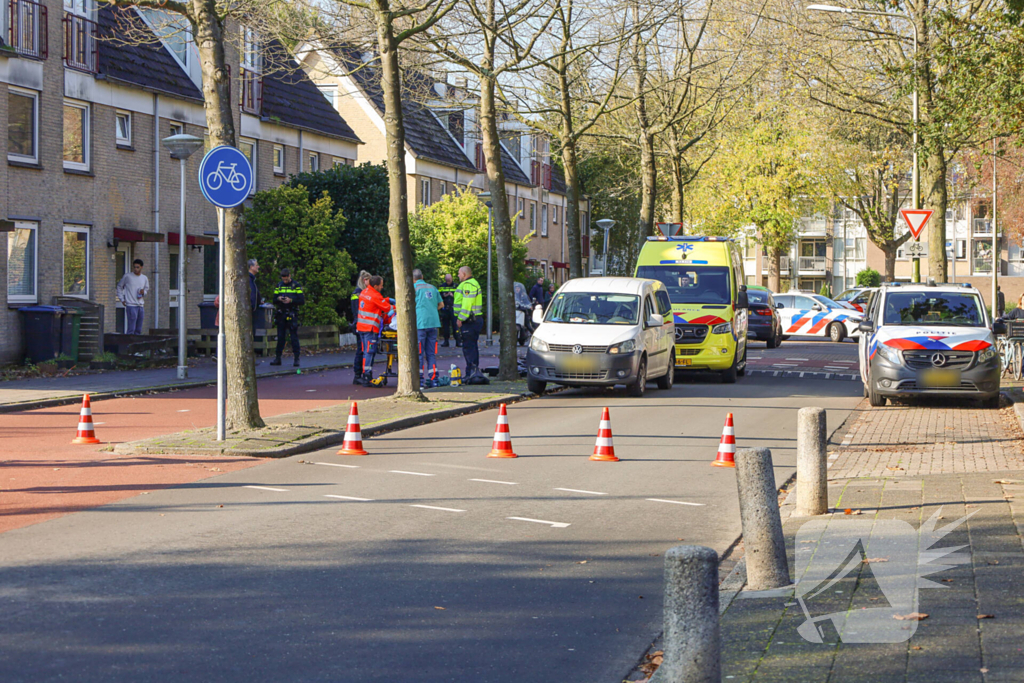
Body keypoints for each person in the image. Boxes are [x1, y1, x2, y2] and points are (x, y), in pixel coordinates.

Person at [355, 275, 392, 386]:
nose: (382, 287)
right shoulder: (376, 295)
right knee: (369, 352)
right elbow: (387, 308)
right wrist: (395, 306)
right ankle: (368, 376)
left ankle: (364, 374)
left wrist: (386, 300)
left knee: (365, 351)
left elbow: (375, 302)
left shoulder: (364, 292)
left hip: (361, 327)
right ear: (375, 286)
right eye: (381, 285)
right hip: (370, 329)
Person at [414, 269, 443, 387]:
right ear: (422, 276)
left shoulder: (413, 288)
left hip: (420, 323)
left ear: (413, 279)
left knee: (419, 353)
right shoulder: (432, 288)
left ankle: (420, 380)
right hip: (434, 323)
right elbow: (441, 304)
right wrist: (432, 310)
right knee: (431, 353)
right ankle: (434, 379)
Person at [270, 268, 305, 367]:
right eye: (283, 279)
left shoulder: (296, 285)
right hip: (281, 313)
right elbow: (274, 299)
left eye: (286, 279)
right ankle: (278, 358)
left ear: (290, 276)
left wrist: (291, 300)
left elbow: (302, 300)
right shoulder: (279, 285)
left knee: (294, 337)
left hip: (292, 313)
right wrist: (279, 298)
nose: (285, 281)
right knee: (280, 337)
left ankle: (296, 359)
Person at [453, 265, 483, 377]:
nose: (458, 275)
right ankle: (473, 372)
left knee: (469, 348)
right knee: (471, 347)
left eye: (459, 273)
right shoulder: (471, 284)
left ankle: (471, 373)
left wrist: (460, 318)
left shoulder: (468, 285)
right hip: (472, 320)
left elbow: (467, 303)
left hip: (470, 321)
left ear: (464, 274)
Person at [116, 259, 150, 334]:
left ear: (141, 267)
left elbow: (146, 289)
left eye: (137, 267)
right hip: (131, 305)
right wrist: (122, 299)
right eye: (134, 267)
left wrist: (143, 292)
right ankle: (128, 340)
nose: (135, 269)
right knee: (131, 328)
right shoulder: (128, 276)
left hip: (140, 305)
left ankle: (137, 341)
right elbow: (119, 286)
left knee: (139, 328)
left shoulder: (144, 278)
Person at [350, 271, 370, 384]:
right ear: (364, 280)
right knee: (361, 350)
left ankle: (359, 374)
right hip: (361, 324)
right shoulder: (360, 293)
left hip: (359, 323)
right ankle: (358, 374)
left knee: (361, 349)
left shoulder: (357, 293)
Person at [438, 273, 458, 347]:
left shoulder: (456, 286)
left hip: (454, 308)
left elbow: (460, 296)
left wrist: (453, 295)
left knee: (455, 326)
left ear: (452, 279)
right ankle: (446, 341)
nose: (448, 281)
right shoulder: (442, 286)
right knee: (445, 326)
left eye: (449, 280)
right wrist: (444, 295)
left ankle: (458, 341)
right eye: (447, 280)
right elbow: (438, 296)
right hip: (445, 309)